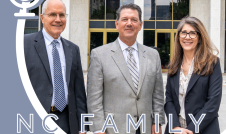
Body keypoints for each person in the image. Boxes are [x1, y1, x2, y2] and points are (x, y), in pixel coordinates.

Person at [87, 3, 165, 134]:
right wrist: (98, 129)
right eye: (125, 19)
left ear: (140, 25)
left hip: (144, 128)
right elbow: (94, 99)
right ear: (117, 24)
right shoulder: (99, 55)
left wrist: (157, 122)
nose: (129, 23)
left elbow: (158, 95)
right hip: (113, 128)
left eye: (134, 20)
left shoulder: (153, 55)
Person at [24, 0, 88, 133]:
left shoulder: (73, 49)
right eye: (52, 14)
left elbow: (79, 94)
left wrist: (84, 127)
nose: (58, 20)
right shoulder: (24, 44)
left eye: (62, 15)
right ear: (42, 18)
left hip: (67, 121)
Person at [164, 16, 222, 134]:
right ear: (178, 36)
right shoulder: (173, 65)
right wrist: (175, 127)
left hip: (204, 128)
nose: (187, 37)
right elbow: (168, 100)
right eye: (184, 32)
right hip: (176, 129)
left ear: (200, 37)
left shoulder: (213, 63)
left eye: (192, 33)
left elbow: (213, 103)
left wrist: (190, 130)